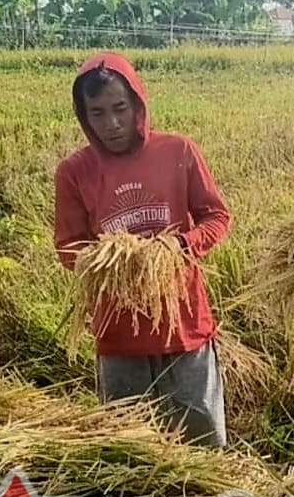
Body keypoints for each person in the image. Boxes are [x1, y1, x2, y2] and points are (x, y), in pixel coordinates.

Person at [54, 52, 231, 447]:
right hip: (119, 335)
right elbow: (68, 247)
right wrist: (108, 261)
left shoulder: (179, 151)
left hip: (184, 326)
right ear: (83, 115)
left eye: (120, 108)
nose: (111, 124)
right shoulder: (74, 172)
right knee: (130, 450)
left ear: (138, 102)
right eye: (97, 113)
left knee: (204, 444)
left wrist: (180, 245)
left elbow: (216, 216)